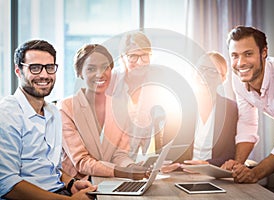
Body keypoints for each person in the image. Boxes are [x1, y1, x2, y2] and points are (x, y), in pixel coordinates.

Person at [0, 39, 96, 200]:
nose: (44, 75)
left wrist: (72, 183)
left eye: (49, 68)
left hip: (59, 192)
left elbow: (52, 168)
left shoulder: (52, 111)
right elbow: (7, 184)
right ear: (18, 71)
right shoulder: (7, 115)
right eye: (35, 68)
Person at [221, 25, 274, 200]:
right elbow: (247, 123)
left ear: (264, 52)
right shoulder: (239, 78)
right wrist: (237, 164)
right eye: (235, 55)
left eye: (248, 54)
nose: (240, 63)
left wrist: (255, 174)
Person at [58, 44, 149, 180]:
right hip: (76, 185)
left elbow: (119, 154)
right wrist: (123, 172)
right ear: (79, 73)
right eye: (91, 69)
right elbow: (81, 161)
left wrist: (130, 166)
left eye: (105, 67)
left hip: (108, 182)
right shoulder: (66, 108)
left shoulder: (120, 107)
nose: (100, 74)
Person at [160, 51, 238, 173]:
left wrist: (207, 165)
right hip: (181, 173)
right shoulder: (177, 106)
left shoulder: (231, 109)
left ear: (223, 78)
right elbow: (168, 149)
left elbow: (230, 153)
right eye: (201, 69)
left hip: (214, 174)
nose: (204, 75)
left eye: (212, 71)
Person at [108, 31, 164, 161]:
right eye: (133, 56)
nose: (140, 62)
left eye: (144, 55)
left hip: (143, 160)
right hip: (112, 161)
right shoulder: (111, 83)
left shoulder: (157, 83)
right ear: (122, 58)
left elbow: (163, 125)